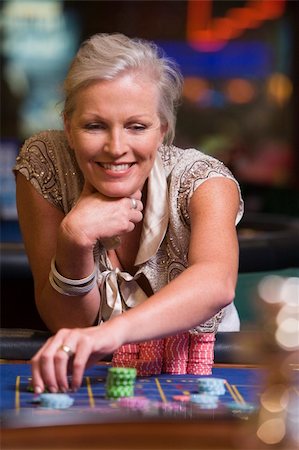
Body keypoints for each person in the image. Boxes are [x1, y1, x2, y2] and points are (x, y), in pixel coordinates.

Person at [14, 33, 243, 394]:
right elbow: (65, 321)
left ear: (162, 131)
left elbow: (216, 283)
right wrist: (73, 238)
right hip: (97, 376)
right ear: (68, 127)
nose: (116, 148)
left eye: (137, 126)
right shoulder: (45, 162)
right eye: (94, 125)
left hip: (205, 375)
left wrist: (109, 334)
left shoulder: (204, 179)